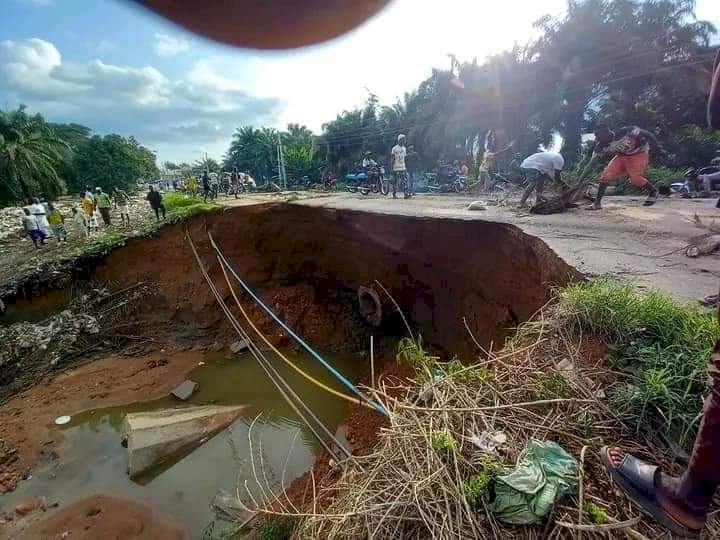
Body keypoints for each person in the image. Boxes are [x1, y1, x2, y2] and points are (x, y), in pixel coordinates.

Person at [599, 49, 720, 538]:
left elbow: (716, 109)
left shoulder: (636, 139)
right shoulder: (620, 140)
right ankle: (603, 196)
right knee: (611, 175)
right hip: (628, 158)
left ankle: (689, 498)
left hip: (639, 162)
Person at [583, 125, 662, 210]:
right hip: (622, 156)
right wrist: (580, 180)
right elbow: (591, 164)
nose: (596, 138)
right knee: (606, 175)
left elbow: (648, 134)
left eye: (598, 135)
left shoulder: (626, 131)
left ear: (607, 133)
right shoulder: (600, 146)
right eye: (596, 136)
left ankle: (653, 191)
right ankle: (597, 203)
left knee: (635, 179)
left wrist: (658, 148)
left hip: (639, 154)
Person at [390, 134, 408, 199]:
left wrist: (406, 166)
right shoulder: (394, 148)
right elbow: (392, 158)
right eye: (403, 139)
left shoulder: (404, 148)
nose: (405, 140)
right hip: (396, 168)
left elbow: (404, 158)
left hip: (403, 167)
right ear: (400, 140)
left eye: (405, 139)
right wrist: (391, 168)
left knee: (404, 181)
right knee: (395, 182)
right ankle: (394, 194)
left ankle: (405, 194)